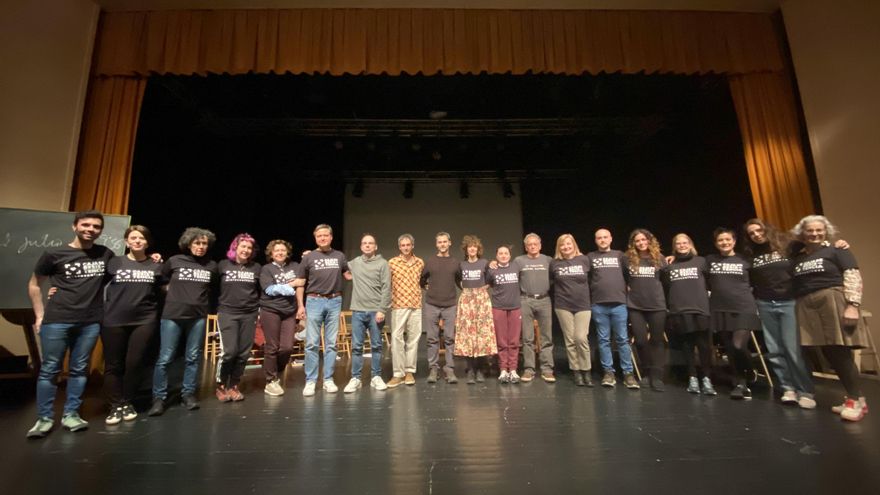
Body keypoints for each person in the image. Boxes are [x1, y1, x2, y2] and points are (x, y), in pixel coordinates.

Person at [26, 210, 114, 438]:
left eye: (96, 226)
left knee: (79, 369)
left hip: (90, 322)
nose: (90, 229)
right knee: (49, 370)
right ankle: (44, 419)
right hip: (56, 320)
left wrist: (153, 259)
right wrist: (39, 315)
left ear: (100, 230)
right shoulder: (54, 254)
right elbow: (35, 285)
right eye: (86, 225)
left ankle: (71, 414)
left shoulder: (105, 254)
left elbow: (123, 272)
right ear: (74, 226)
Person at [790, 215, 869, 421]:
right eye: (810, 230)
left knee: (840, 350)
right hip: (806, 304)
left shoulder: (837, 250)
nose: (815, 233)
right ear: (803, 233)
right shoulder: (798, 257)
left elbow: (852, 275)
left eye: (819, 230)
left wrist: (853, 305)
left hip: (832, 298)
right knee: (828, 352)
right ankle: (851, 398)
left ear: (826, 231)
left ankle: (857, 400)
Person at [742, 219, 816, 408]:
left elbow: (813, 243)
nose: (757, 235)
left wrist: (837, 244)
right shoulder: (750, 256)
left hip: (789, 302)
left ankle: (805, 391)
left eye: (759, 230)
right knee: (774, 350)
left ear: (767, 229)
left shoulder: (787, 245)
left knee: (793, 349)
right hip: (765, 303)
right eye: (752, 233)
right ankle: (787, 388)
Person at [150, 227, 218, 416]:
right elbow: (160, 281)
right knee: (165, 358)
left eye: (204, 243)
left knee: (193, 357)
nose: (201, 246)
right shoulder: (174, 261)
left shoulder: (211, 265)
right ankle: (159, 398)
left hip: (198, 316)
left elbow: (212, 288)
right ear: (188, 244)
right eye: (197, 243)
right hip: (173, 315)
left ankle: (188, 394)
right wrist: (168, 289)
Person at [100, 225, 163, 425]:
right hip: (113, 319)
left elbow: (165, 289)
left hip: (144, 320)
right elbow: (92, 285)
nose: (137, 241)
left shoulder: (156, 265)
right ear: (126, 241)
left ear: (147, 242)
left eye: (141, 238)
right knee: (113, 365)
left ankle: (127, 401)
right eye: (133, 238)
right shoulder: (114, 262)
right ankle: (114, 405)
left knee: (135, 363)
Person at [295, 224, 351, 397]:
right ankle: (311, 381)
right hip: (314, 300)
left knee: (331, 343)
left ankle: (328, 379)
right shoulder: (309, 257)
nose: (322, 238)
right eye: (319, 236)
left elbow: (349, 275)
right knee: (311, 343)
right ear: (315, 238)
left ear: (331, 237)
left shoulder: (339, 256)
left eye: (325, 235)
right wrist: (300, 305)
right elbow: (300, 283)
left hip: (334, 300)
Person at [706, 228, 761, 400]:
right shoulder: (710, 260)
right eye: (720, 240)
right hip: (720, 308)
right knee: (730, 348)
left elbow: (758, 281)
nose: (724, 243)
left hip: (744, 306)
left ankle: (750, 369)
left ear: (734, 241)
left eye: (727, 239)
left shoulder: (745, 260)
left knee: (738, 345)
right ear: (716, 243)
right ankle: (740, 382)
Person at [662, 233, 716, 395]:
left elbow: (711, 282)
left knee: (704, 346)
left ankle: (707, 379)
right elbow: (665, 288)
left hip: (700, 309)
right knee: (687, 346)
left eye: (685, 243)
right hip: (679, 311)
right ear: (674, 246)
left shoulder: (701, 261)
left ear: (690, 244)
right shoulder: (669, 265)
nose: (682, 245)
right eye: (678, 243)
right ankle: (692, 377)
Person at [588, 228, 638, 389]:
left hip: (619, 304)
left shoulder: (620, 256)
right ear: (596, 240)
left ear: (611, 239)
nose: (602, 240)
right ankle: (608, 372)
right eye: (599, 238)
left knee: (623, 340)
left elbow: (629, 275)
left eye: (605, 237)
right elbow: (587, 279)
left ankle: (628, 374)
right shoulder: (590, 257)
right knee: (603, 340)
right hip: (598, 304)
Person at [215, 233, 262, 402]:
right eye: (243, 246)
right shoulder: (222, 265)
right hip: (228, 313)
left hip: (249, 314)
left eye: (249, 248)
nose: (246, 250)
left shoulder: (256, 268)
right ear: (235, 247)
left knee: (243, 353)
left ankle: (233, 384)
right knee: (229, 352)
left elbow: (262, 289)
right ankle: (220, 385)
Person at [344, 233, 391, 393]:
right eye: (364, 243)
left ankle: (376, 377)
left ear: (375, 246)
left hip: (375, 311)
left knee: (376, 346)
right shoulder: (355, 262)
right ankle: (355, 378)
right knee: (357, 347)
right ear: (361, 246)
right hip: (358, 310)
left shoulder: (383, 263)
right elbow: (339, 266)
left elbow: (386, 287)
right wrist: (311, 254)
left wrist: (382, 309)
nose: (367, 245)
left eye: (370, 243)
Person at [625, 229, 668, 392]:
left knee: (657, 340)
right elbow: (624, 277)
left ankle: (657, 376)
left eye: (644, 240)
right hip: (635, 306)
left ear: (650, 241)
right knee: (641, 341)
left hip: (657, 305)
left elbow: (666, 281)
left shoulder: (660, 259)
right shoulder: (627, 259)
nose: (641, 243)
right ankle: (646, 372)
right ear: (633, 244)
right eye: (637, 241)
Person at [550, 234, 593, 387]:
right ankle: (576, 372)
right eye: (562, 245)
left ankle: (586, 370)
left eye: (568, 244)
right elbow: (550, 281)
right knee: (570, 340)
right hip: (563, 305)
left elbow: (594, 278)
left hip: (583, 305)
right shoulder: (554, 263)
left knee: (581, 338)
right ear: (559, 247)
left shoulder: (584, 260)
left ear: (573, 244)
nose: (566, 247)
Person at [453, 235, 497, 384]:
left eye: (475, 247)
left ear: (478, 249)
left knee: (481, 335)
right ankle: (470, 369)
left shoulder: (485, 263)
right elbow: (457, 279)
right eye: (469, 247)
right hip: (466, 300)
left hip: (481, 300)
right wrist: (464, 288)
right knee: (468, 335)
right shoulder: (462, 264)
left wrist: (486, 287)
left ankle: (480, 369)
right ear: (466, 249)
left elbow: (492, 278)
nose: (472, 249)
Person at [420, 231, 462, 384]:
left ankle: (449, 369)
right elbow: (422, 279)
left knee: (450, 338)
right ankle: (433, 368)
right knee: (432, 339)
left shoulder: (455, 262)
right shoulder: (430, 261)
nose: (442, 244)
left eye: (445, 242)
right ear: (436, 244)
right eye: (439, 242)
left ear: (449, 243)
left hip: (450, 305)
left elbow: (460, 281)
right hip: (432, 304)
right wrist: (428, 288)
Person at [259, 239, 299, 396]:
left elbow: (304, 277)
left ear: (287, 252)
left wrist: (309, 255)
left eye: (283, 250)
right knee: (272, 346)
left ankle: (277, 371)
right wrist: (290, 286)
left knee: (287, 347)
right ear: (271, 253)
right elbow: (269, 289)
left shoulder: (294, 266)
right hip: (270, 310)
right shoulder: (266, 269)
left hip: (289, 311)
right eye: (277, 251)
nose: (280, 253)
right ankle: (270, 380)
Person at [514, 233, 556, 383]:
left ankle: (547, 369)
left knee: (546, 337)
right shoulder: (519, 261)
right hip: (526, 299)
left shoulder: (548, 260)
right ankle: (529, 369)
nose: (532, 246)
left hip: (544, 299)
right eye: (529, 244)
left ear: (540, 245)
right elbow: (514, 278)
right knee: (527, 337)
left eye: (535, 244)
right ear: (526, 247)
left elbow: (553, 278)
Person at [386, 234, 424, 388]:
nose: (406, 248)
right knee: (397, 338)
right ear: (399, 247)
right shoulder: (392, 263)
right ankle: (398, 374)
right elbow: (385, 282)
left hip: (415, 304)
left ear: (412, 246)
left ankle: (409, 372)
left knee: (413, 339)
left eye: (408, 245)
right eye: (403, 245)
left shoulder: (420, 262)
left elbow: (423, 281)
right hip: (399, 305)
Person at [487, 244, 521, 384]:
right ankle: (503, 370)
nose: (503, 255)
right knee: (501, 341)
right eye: (500, 253)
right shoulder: (491, 270)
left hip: (515, 307)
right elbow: (486, 285)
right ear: (496, 256)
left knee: (513, 340)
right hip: (498, 307)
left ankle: (513, 369)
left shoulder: (516, 266)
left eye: (506, 253)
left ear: (510, 255)